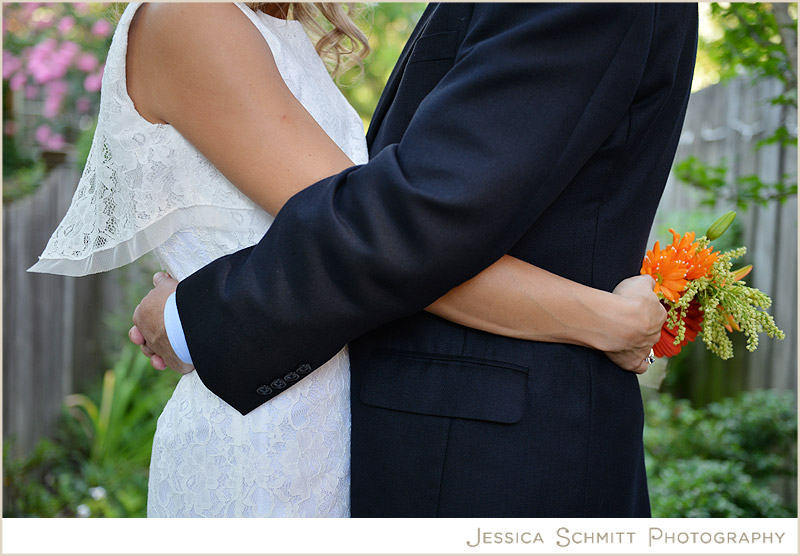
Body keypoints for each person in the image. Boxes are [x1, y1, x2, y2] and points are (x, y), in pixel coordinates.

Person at [32, 3, 684, 517]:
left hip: (348, 423)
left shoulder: (274, 29)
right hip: (270, 437)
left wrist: (188, 315)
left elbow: (397, 231)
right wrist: (603, 318)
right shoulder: (191, 20)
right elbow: (390, 234)